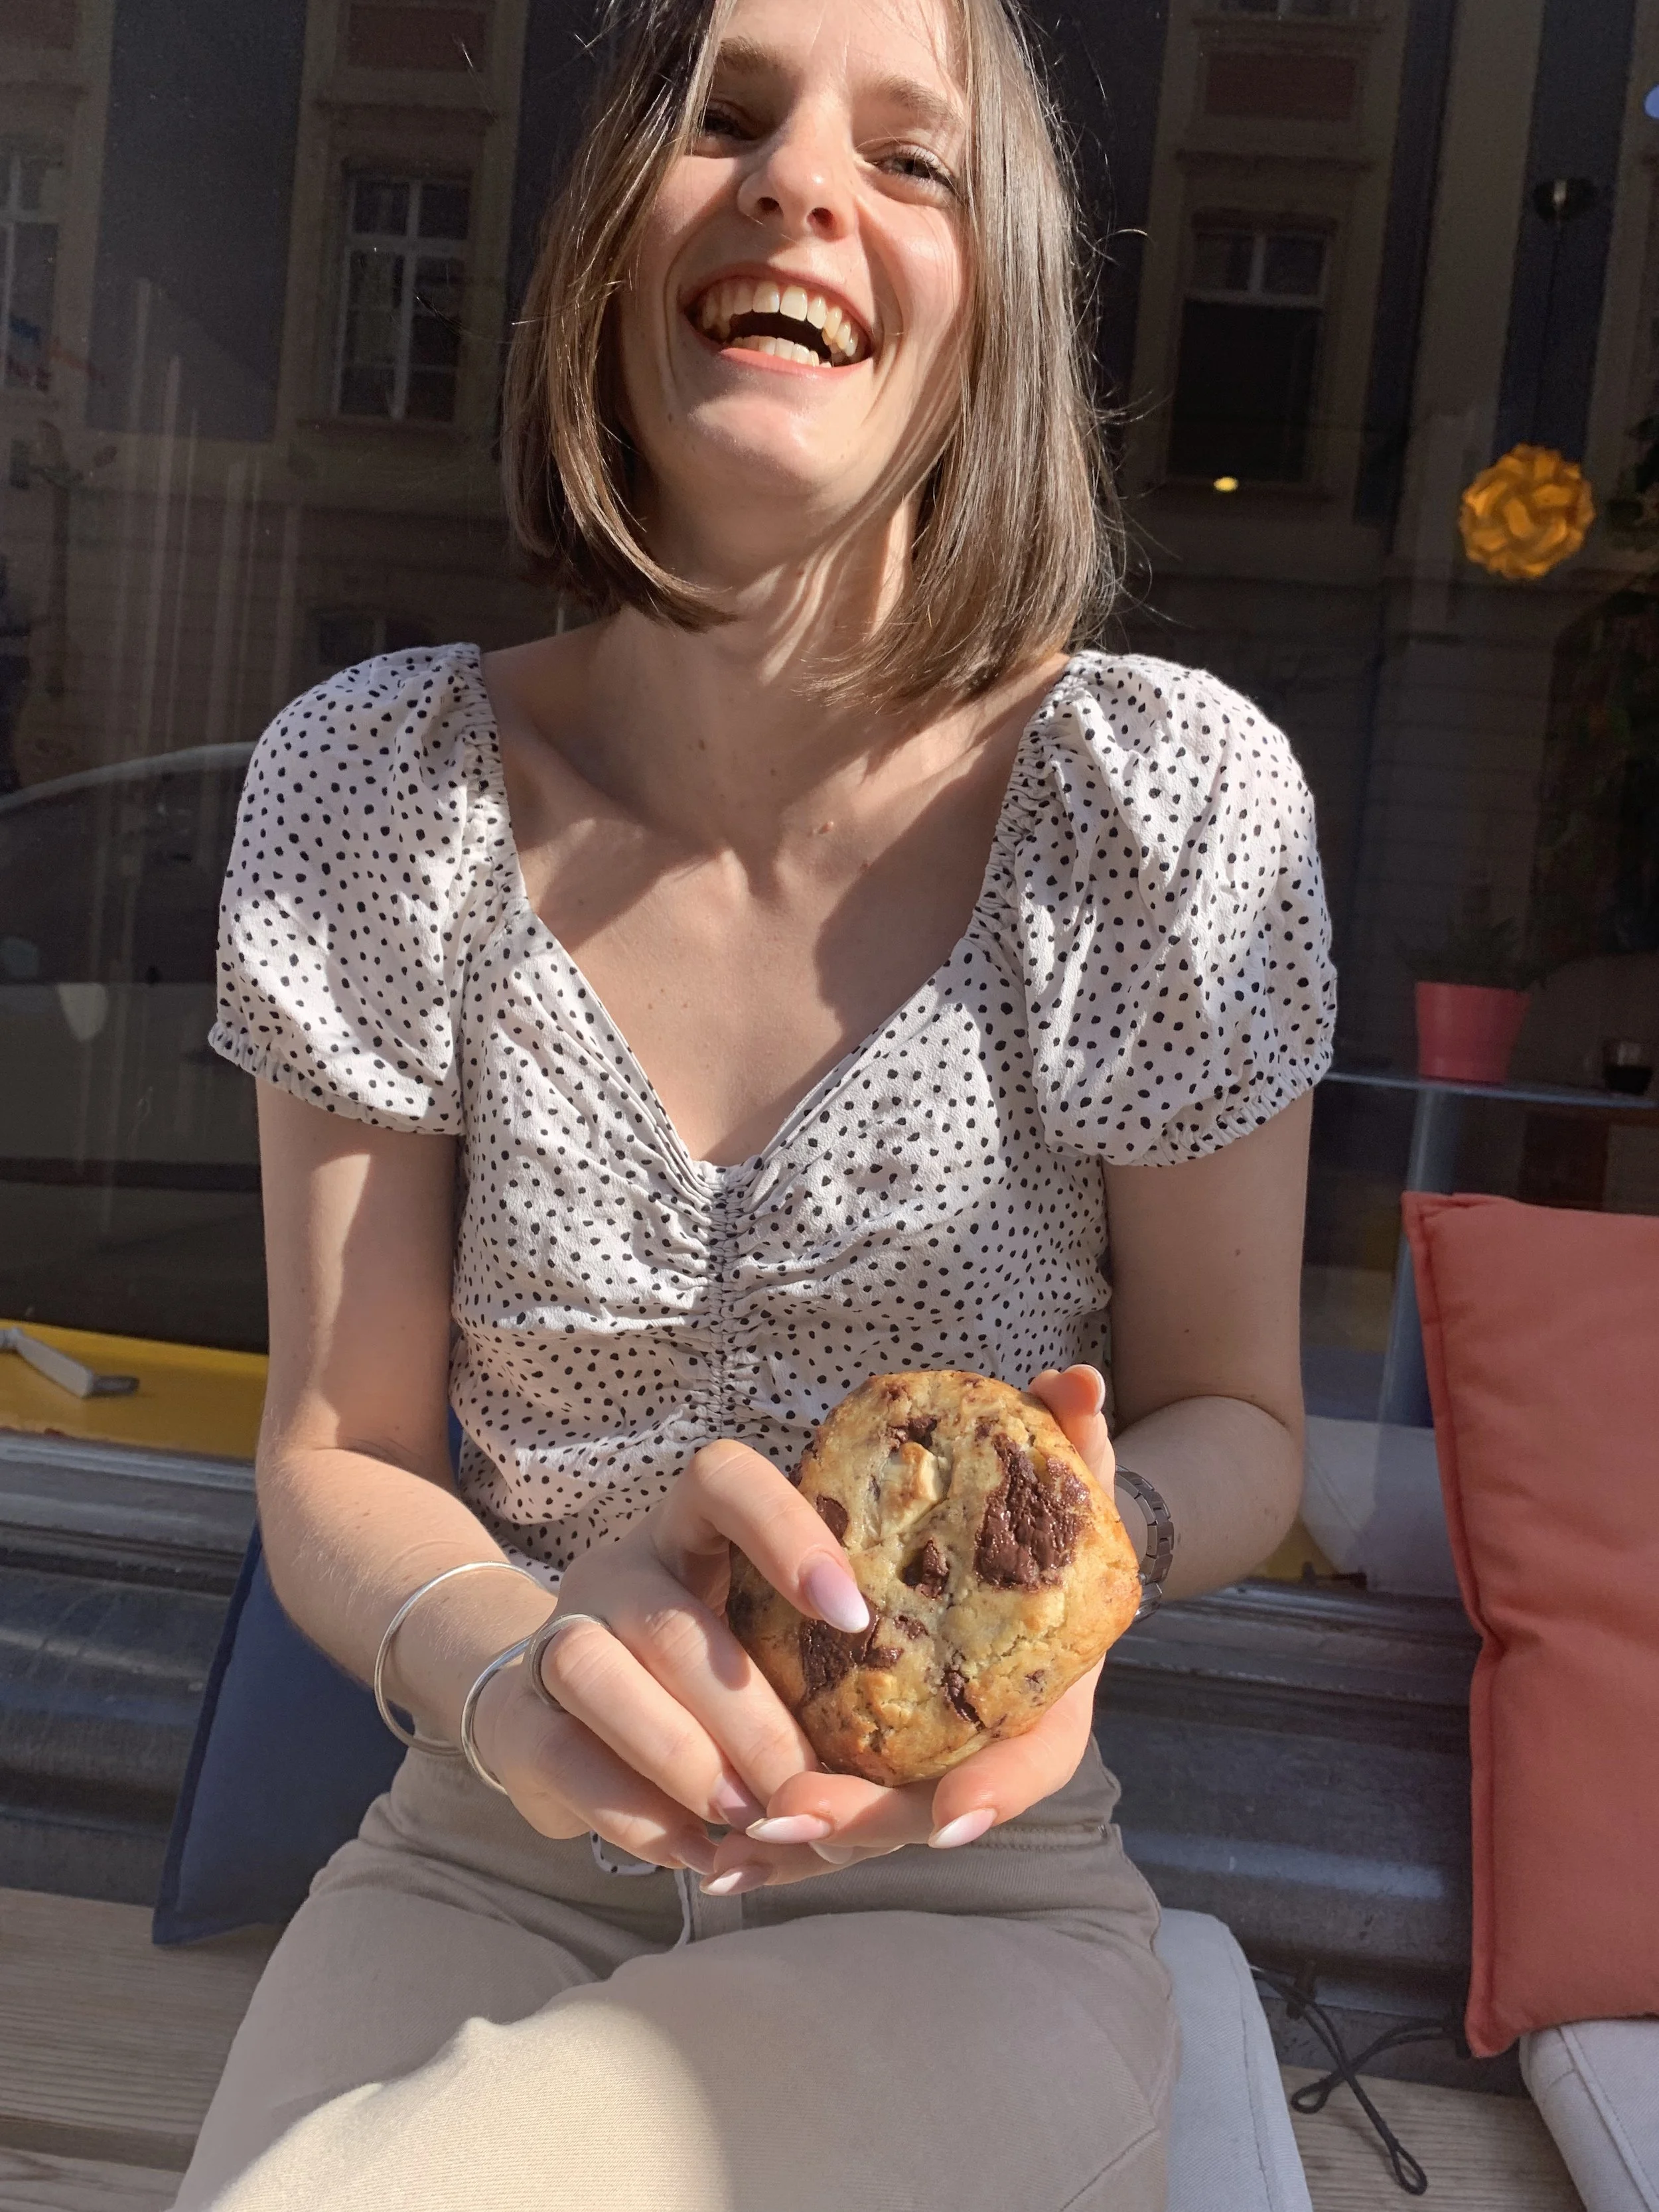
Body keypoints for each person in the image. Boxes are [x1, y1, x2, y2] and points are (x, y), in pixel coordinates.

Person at [178, 0, 1334, 2204]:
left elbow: (1242, 1421)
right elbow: (336, 1445)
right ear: (609, 239)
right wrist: (511, 1665)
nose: (806, 178)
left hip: (961, 1888)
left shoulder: (1155, 809)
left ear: (992, 306)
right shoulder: (373, 791)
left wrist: (1082, 1579)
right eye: (728, 115)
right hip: (487, 1848)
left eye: (913, 160)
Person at [0, 555, 31, 795]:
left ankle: (7, 779)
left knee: (7, 728)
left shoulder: (17, 601)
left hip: (11, 668)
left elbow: (22, 630)